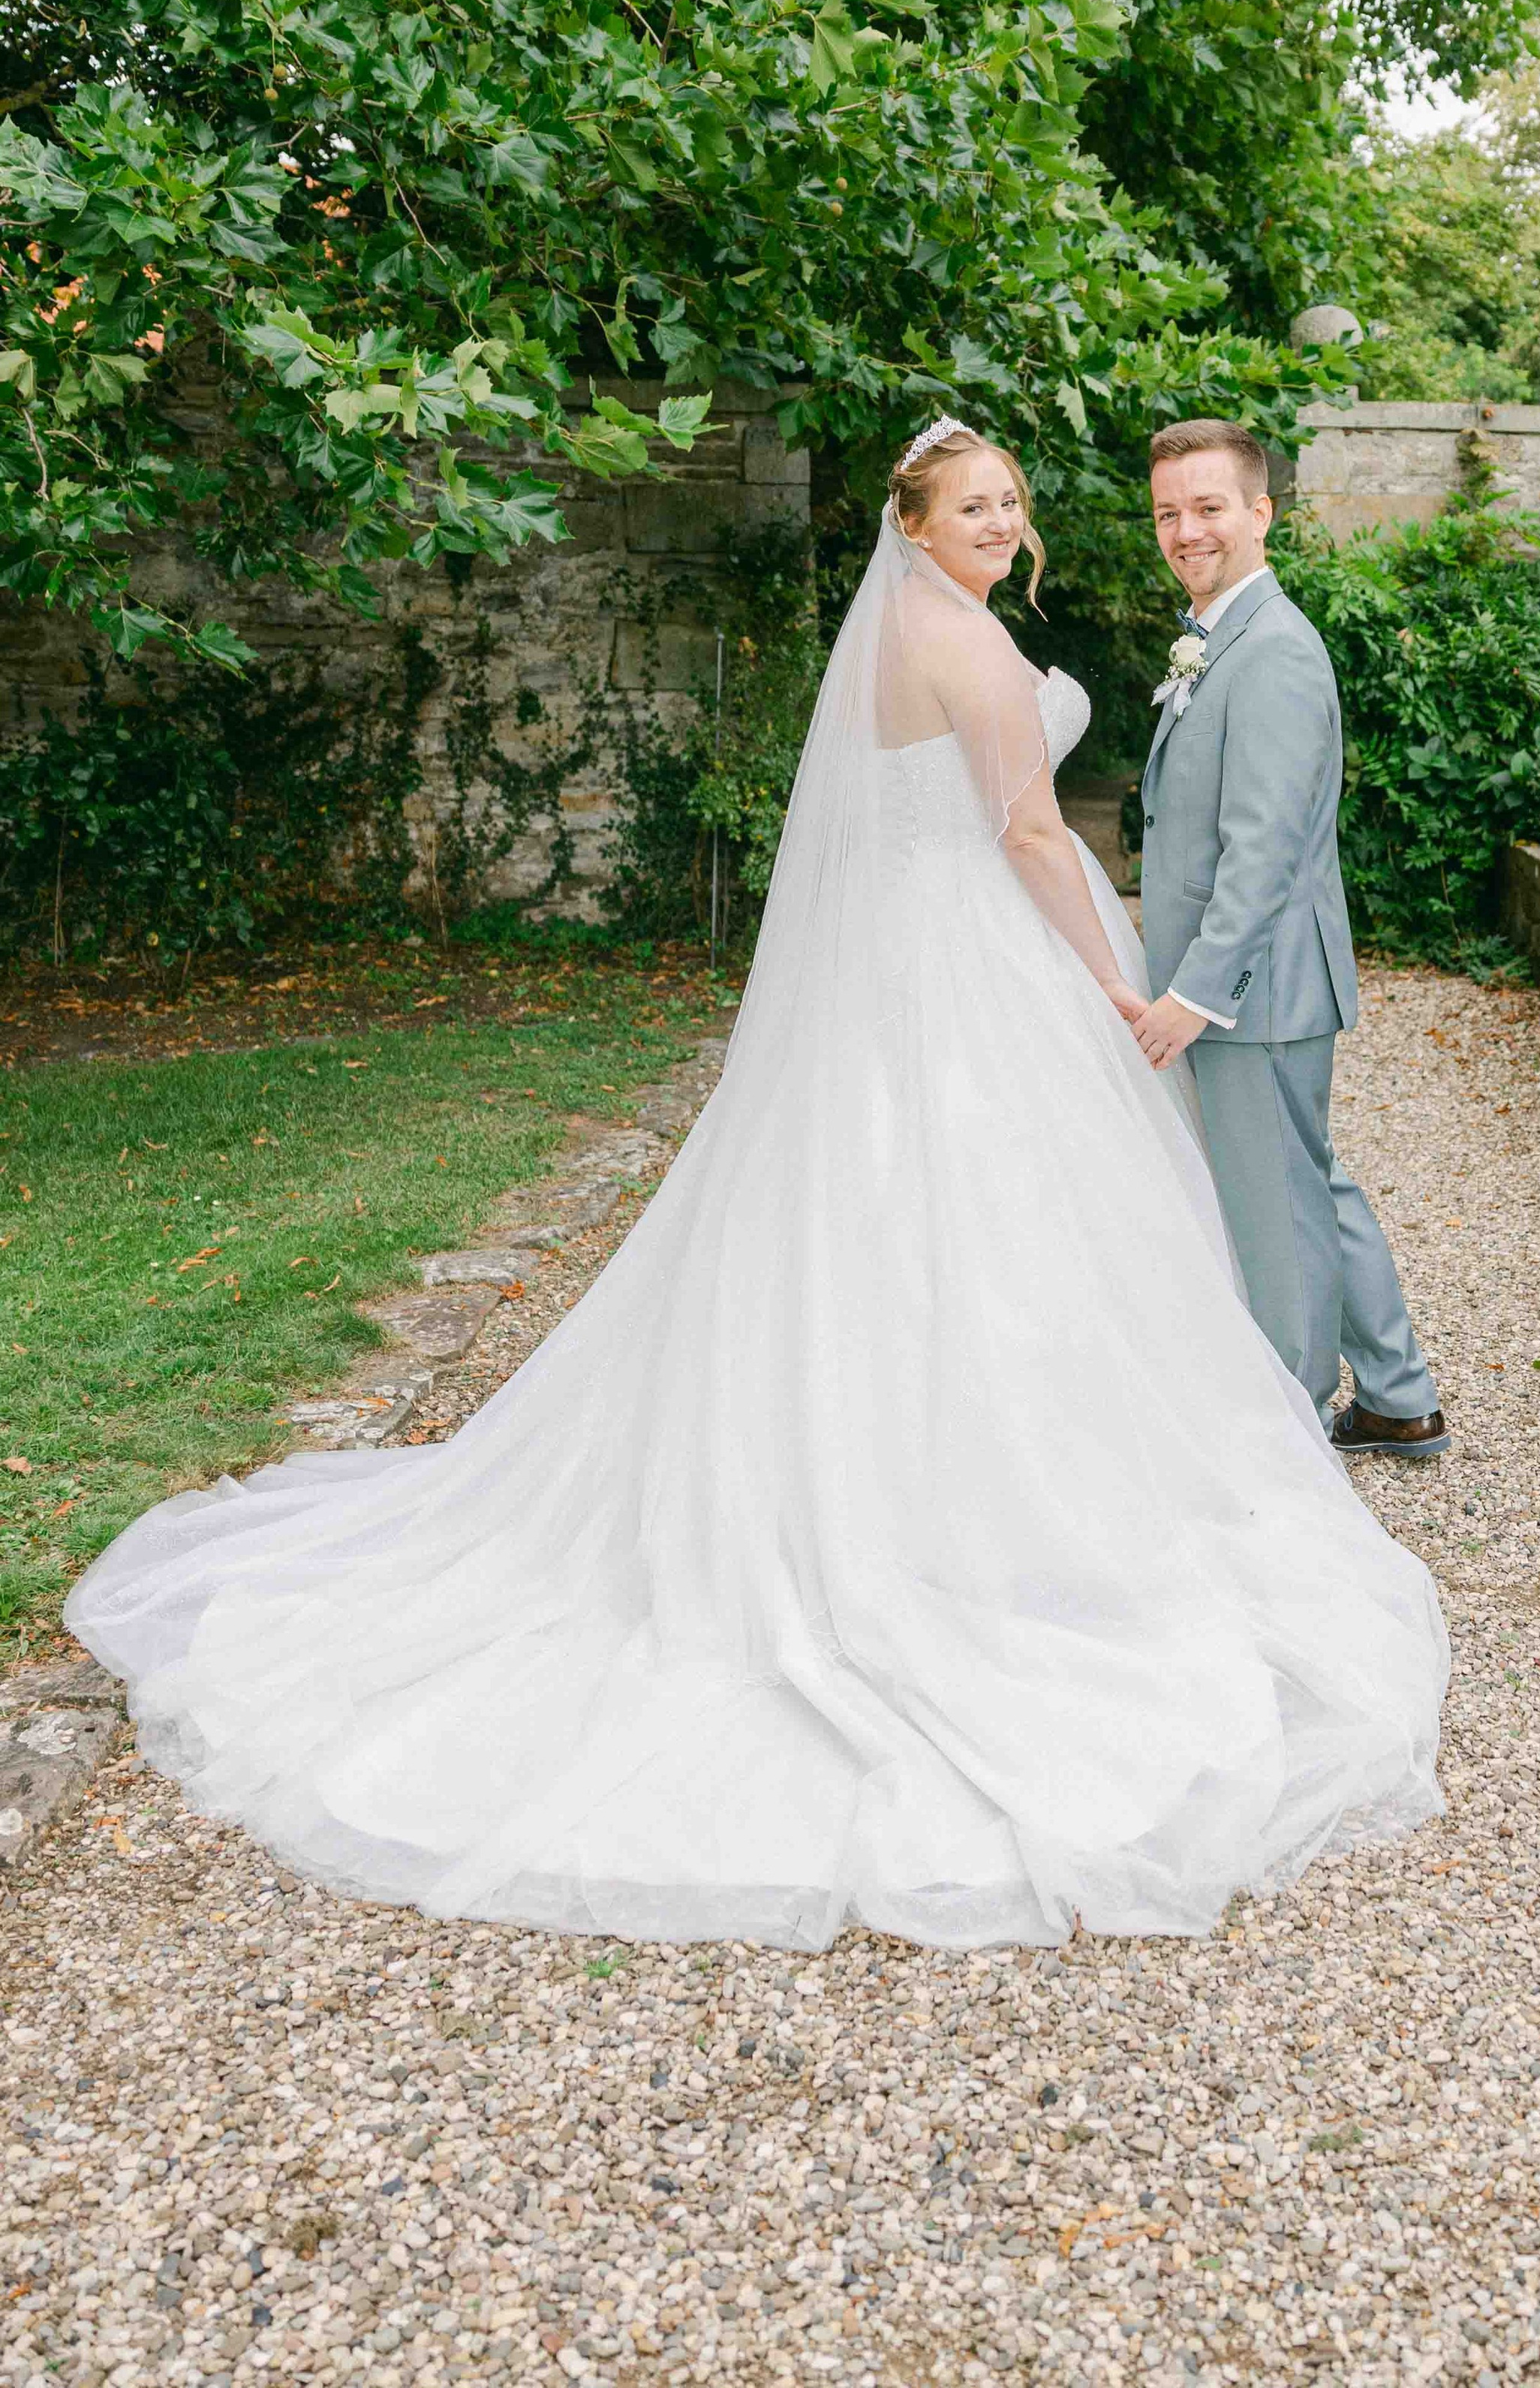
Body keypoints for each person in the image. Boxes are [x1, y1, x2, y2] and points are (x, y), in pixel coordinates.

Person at [66, 418, 1448, 1951]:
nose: (996, 521)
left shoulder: (900, 637)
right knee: (1010, 1230)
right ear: (912, 524)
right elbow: (1031, 832)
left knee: (919, 1227)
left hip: (903, 973)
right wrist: (1116, 978)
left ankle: (1312, 1399)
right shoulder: (970, 649)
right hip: (979, 966)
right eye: (968, 505)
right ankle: (1014, 1518)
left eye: (1009, 501)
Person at [1129, 418, 1449, 1462]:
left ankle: (1294, 1413)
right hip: (1253, 985)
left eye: (1210, 506)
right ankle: (1399, 1396)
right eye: (1170, 511)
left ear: (1262, 512)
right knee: (1309, 1181)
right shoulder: (1219, 638)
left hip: (1252, 988)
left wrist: (1196, 991)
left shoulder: (1271, 652)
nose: (1187, 530)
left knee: (1278, 1209)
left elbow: (1260, 852)